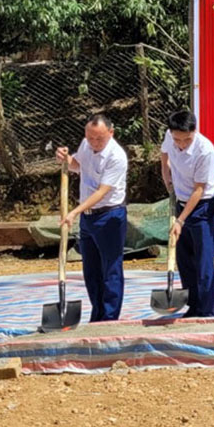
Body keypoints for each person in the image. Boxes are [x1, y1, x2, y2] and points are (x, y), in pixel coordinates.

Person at [54, 115, 128, 322]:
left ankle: (110, 317)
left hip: (109, 215)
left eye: (99, 139)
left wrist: (74, 211)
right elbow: (78, 165)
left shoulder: (117, 156)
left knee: (110, 268)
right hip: (87, 218)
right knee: (91, 269)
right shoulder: (86, 145)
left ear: (111, 133)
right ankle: (97, 314)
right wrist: (65, 158)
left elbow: (102, 192)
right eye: (90, 138)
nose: (94, 143)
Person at [160, 110, 214, 317]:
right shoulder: (171, 137)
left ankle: (206, 310)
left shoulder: (205, 150)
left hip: (203, 205)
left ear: (194, 132)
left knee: (203, 259)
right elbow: (165, 153)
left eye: (187, 139)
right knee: (184, 257)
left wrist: (180, 220)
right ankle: (193, 306)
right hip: (181, 200)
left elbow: (199, 190)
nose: (181, 144)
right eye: (178, 139)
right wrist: (165, 174)